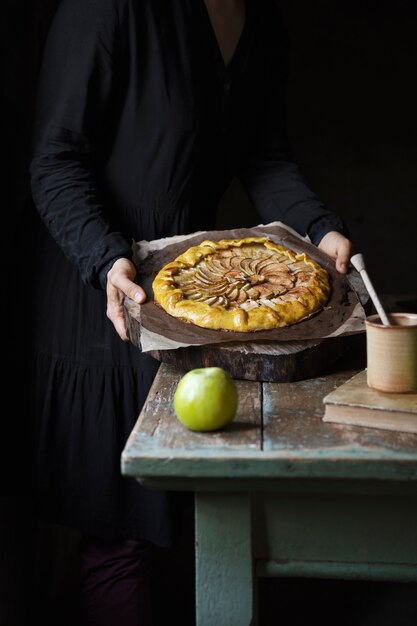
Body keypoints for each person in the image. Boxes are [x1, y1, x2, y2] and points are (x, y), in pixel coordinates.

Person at [29, 0, 353, 624]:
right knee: (119, 534)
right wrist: (103, 258)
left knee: (185, 515)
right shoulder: (110, 10)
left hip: (193, 295)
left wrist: (319, 227)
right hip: (98, 288)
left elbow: (264, 155)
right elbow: (55, 157)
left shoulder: (262, 24)